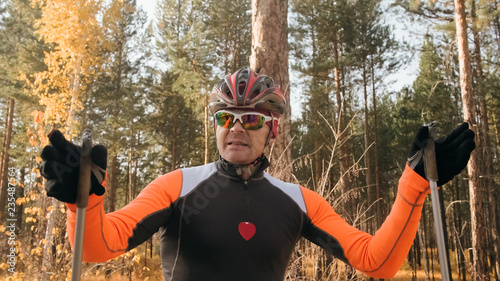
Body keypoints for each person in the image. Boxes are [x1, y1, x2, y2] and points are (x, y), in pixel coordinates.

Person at [40, 67, 476, 280]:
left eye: (251, 119)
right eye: (225, 118)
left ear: (273, 129)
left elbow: (376, 261)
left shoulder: (299, 200)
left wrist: (415, 185)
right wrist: (87, 198)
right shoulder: (178, 185)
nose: (236, 128)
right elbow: (98, 246)